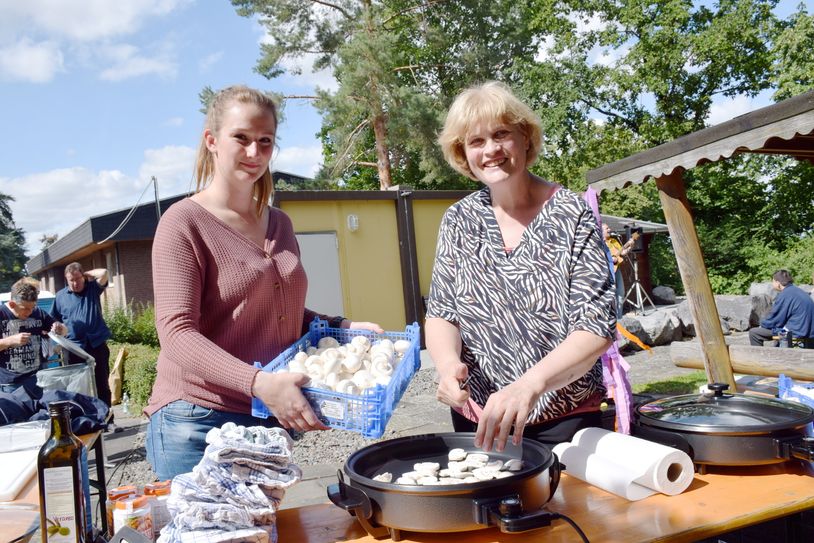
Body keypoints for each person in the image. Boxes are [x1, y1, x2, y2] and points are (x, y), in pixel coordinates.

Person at [145, 85, 383, 480]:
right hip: (198, 420)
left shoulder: (280, 223)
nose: (254, 152)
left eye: (265, 141)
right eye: (241, 138)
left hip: (266, 415)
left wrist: (341, 327)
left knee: (266, 520)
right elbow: (176, 333)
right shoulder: (183, 223)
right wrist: (258, 383)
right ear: (212, 141)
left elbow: (276, 309)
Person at [426, 81, 616, 454]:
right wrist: (447, 366)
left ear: (525, 138)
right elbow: (442, 314)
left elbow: (596, 327)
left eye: (501, 134)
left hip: (564, 420)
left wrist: (530, 385)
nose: (491, 150)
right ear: (463, 153)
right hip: (480, 421)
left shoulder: (571, 214)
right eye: (476, 141)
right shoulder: (459, 220)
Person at [50, 263, 116, 420]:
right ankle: (83, 421)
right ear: (66, 280)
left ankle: (107, 420)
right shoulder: (60, 296)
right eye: (71, 280)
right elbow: (54, 319)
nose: (75, 283)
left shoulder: (93, 288)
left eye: (78, 279)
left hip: (96, 345)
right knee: (76, 387)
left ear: (84, 277)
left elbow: (104, 272)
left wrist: (86, 273)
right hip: (73, 348)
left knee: (102, 384)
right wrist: (57, 327)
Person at [0, 278, 68, 393]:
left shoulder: (38, 312)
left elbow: (64, 331)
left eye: (32, 307)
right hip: (11, 385)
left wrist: (60, 328)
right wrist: (9, 341)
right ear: (12, 304)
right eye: (25, 309)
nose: (30, 312)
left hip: (38, 380)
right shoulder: (1, 314)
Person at [748, 270, 814, 347]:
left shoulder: (786, 294)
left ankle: (758, 354)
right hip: (809, 331)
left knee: (754, 333)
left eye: (773, 281)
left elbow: (775, 319)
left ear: (778, 283)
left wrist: (762, 325)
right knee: (778, 332)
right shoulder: (798, 291)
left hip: (797, 332)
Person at [602, 224, 639, 319]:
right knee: (610, 294)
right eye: (607, 228)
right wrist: (609, 259)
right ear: (601, 231)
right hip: (605, 271)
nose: (609, 229)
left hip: (616, 269)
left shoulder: (614, 241)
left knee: (621, 292)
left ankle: (619, 318)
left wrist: (631, 245)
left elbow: (622, 252)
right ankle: (609, 318)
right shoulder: (599, 243)